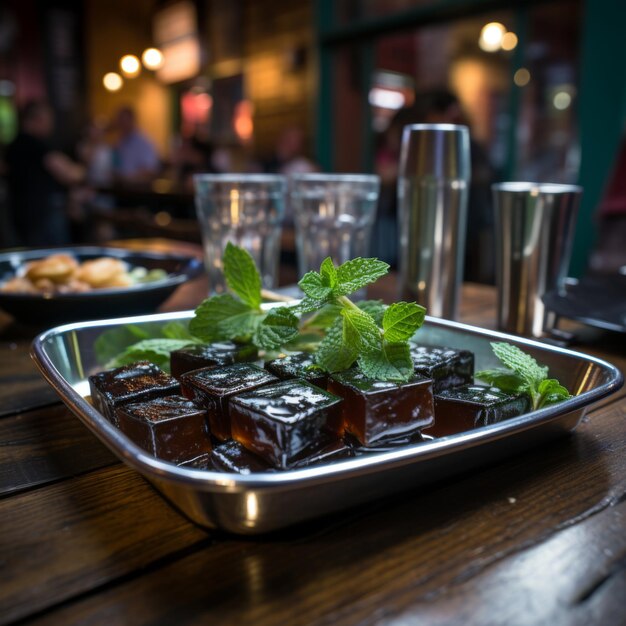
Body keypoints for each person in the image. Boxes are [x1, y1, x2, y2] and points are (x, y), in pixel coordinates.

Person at [5, 100, 84, 246]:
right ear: (38, 119)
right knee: (56, 259)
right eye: (49, 119)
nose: (51, 125)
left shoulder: (13, 145)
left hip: (20, 214)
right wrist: (82, 168)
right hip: (43, 215)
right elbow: (69, 173)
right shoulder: (35, 144)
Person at [111, 106, 160, 183]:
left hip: (136, 190)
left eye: (124, 121)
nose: (121, 125)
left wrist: (128, 177)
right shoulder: (120, 141)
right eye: (120, 122)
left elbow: (151, 169)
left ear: (132, 120)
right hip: (121, 188)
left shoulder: (143, 142)